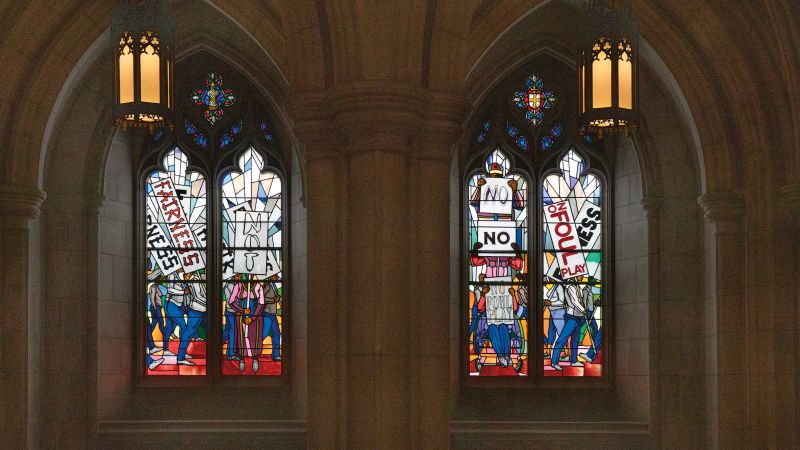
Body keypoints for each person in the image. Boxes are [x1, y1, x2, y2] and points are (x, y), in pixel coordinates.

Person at [229, 277, 266, 373]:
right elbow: (231, 301)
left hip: (256, 317)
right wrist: (242, 310)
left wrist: (253, 318)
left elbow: (261, 304)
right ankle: (241, 359)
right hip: (241, 317)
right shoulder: (238, 286)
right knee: (241, 338)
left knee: (255, 338)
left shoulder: (258, 286)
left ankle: (255, 359)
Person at [550, 283, 586, 371]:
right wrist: (583, 310)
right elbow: (574, 301)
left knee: (575, 340)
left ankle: (574, 360)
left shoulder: (577, 286)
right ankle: (554, 362)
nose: (581, 276)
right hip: (571, 317)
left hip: (578, 316)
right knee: (562, 339)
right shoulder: (570, 287)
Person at [260, 274, 282, 362]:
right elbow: (262, 299)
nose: (277, 277)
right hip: (267, 313)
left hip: (273, 313)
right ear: (272, 276)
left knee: (276, 334)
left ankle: (276, 355)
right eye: (276, 276)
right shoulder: (267, 285)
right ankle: (254, 350)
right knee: (264, 333)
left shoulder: (274, 285)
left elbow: (277, 298)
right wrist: (273, 300)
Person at [578, 281, 602, 363]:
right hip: (588, 310)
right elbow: (584, 300)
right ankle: (590, 354)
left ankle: (591, 354)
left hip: (590, 310)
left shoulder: (591, 289)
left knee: (596, 330)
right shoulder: (586, 289)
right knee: (590, 327)